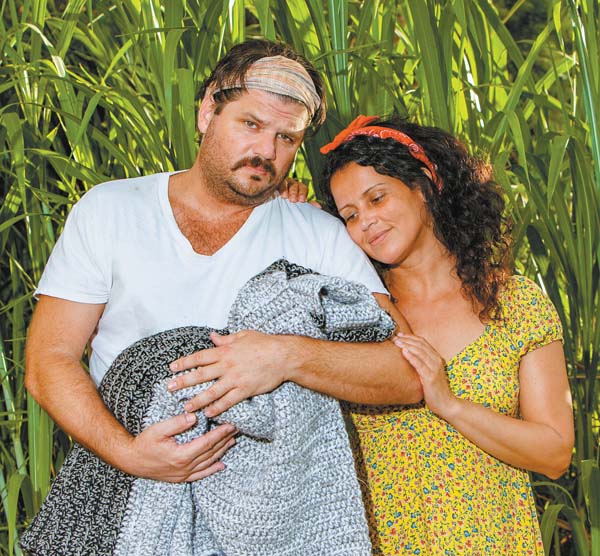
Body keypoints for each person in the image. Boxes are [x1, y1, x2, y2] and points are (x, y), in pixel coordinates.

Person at [25, 40, 422, 494]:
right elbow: (49, 359)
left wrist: (285, 357)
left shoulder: (318, 234)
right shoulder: (110, 209)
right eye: (251, 124)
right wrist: (129, 454)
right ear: (207, 113)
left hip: (267, 506)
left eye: (286, 138)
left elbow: (405, 372)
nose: (266, 151)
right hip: (124, 481)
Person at [313, 115, 574, 554]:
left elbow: (554, 453)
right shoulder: (350, 313)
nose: (367, 222)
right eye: (350, 215)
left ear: (425, 186)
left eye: (377, 198)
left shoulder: (515, 303)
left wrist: (449, 404)